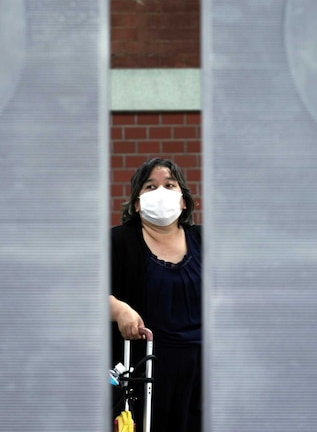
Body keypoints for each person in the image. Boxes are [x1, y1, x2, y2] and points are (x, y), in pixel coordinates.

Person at [110, 157, 202, 432]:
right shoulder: (118, 241)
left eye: (169, 185)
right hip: (145, 370)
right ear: (137, 204)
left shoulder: (206, 241)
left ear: (183, 200)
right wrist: (118, 309)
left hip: (200, 372)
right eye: (150, 187)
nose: (161, 193)